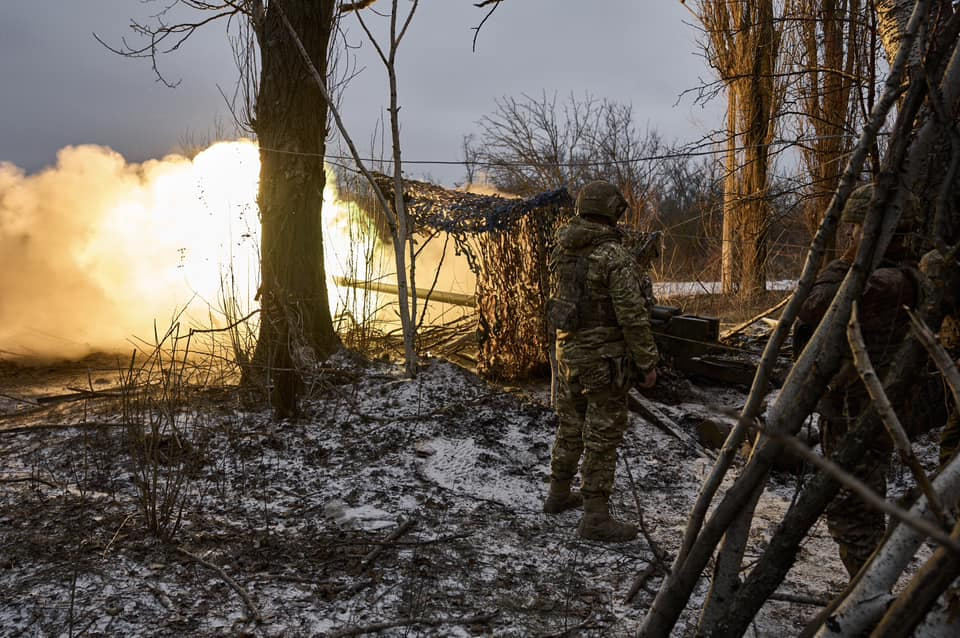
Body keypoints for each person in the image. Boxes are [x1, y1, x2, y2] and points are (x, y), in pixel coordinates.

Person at [795, 183, 921, 576]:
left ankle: (867, 596)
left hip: (858, 409)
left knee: (853, 510)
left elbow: (816, 304)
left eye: (855, 229)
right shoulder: (903, 277)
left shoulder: (884, 282)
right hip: (868, 406)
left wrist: (845, 263)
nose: (849, 237)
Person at [543, 180, 659, 543]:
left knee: (570, 423)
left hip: (566, 353)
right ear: (611, 211)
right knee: (602, 434)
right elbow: (632, 315)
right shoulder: (613, 256)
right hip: (603, 359)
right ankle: (595, 518)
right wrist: (647, 363)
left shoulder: (562, 248)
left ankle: (558, 494)